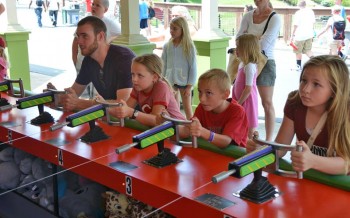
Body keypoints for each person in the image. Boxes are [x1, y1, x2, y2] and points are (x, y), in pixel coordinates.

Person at [248, 55, 350, 175]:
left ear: (335, 90)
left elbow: (347, 164)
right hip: (307, 181)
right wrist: (260, 150)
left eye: (316, 84)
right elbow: (281, 148)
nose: (305, 89)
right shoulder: (294, 102)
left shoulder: (346, 111)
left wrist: (313, 161)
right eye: (304, 80)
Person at [48, 16, 134, 112]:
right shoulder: (88, 60)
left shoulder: (124, 58)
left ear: (100, 36)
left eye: (85, 36)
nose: (79, 41)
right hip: (111, 119)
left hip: (138, 123)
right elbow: (74, 93)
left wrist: (78, 103)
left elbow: (122, 104)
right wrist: (56, 97)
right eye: (78, 36)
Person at [236, 0, 281, 141]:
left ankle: (268, 140)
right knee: (246, 99)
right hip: (246, 60)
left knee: (266, 102)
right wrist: (253, 41)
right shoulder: (248, 16)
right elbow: (238, 38)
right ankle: (247, 136)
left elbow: (265, 43)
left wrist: (247, 41)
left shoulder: (275, 17)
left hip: (265, 62)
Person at [110, 54, 185, 127]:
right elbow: (125, 109)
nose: (134, 79)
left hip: (179, 131)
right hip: (161, 131)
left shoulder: (161, 87)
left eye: (140, 75)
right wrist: (104, 104)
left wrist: (131, 113)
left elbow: (156, 120)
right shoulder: (138, 87)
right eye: (133, 74)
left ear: (154, 77)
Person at [179, 69, 248, 149]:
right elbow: (188, 130)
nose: (202, 99)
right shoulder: (202, 107)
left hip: (234, 158)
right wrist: (169, 128)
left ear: (225, 95)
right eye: (200, 92)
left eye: (208, 93)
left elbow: (225, 141)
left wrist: (202, 131)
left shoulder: (237, 111)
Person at [72, 0, 121, 99]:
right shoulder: (85, 22)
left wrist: (109, 40)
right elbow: (75, 42)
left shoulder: (110, 24)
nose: (93, 7)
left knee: (95, 95)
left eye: (97, 5)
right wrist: (75, 59)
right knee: (84, 95)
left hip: (98, 64)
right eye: (93, 4)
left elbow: (121, 35)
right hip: (82, 62)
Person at [161, 16, 197, 120]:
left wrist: (189, 86)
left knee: (187, 108)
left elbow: (193, 67)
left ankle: (191, 128)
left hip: (184, 81)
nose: (172, 31)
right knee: (173, 107)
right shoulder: (167, 45)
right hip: (170, 80)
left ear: (182, 29)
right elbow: (163, 63)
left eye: (175, 29)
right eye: (171, 28)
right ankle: (177, 127)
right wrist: (162, 78)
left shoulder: (188, 46)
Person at [232, 34, 260, 139]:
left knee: (249, 127)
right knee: (241, 125)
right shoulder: (242, 64)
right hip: (240, 99)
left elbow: (248, 88)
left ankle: (251, 145)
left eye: (238, 47)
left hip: (247, 101)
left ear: (246, 49)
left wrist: (239, 103)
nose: (236, 49)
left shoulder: (249, 66)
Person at [290, 0, 315, 70]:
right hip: (309, 34)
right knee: (308, 50)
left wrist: (292, 36)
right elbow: (313, 23)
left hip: (300, 35)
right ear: (305, 4)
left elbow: (295, 25)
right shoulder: (311, 11)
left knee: (298, 51)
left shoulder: (298, 13)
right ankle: (316, 61)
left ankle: (298, 66)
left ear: (298, 5)